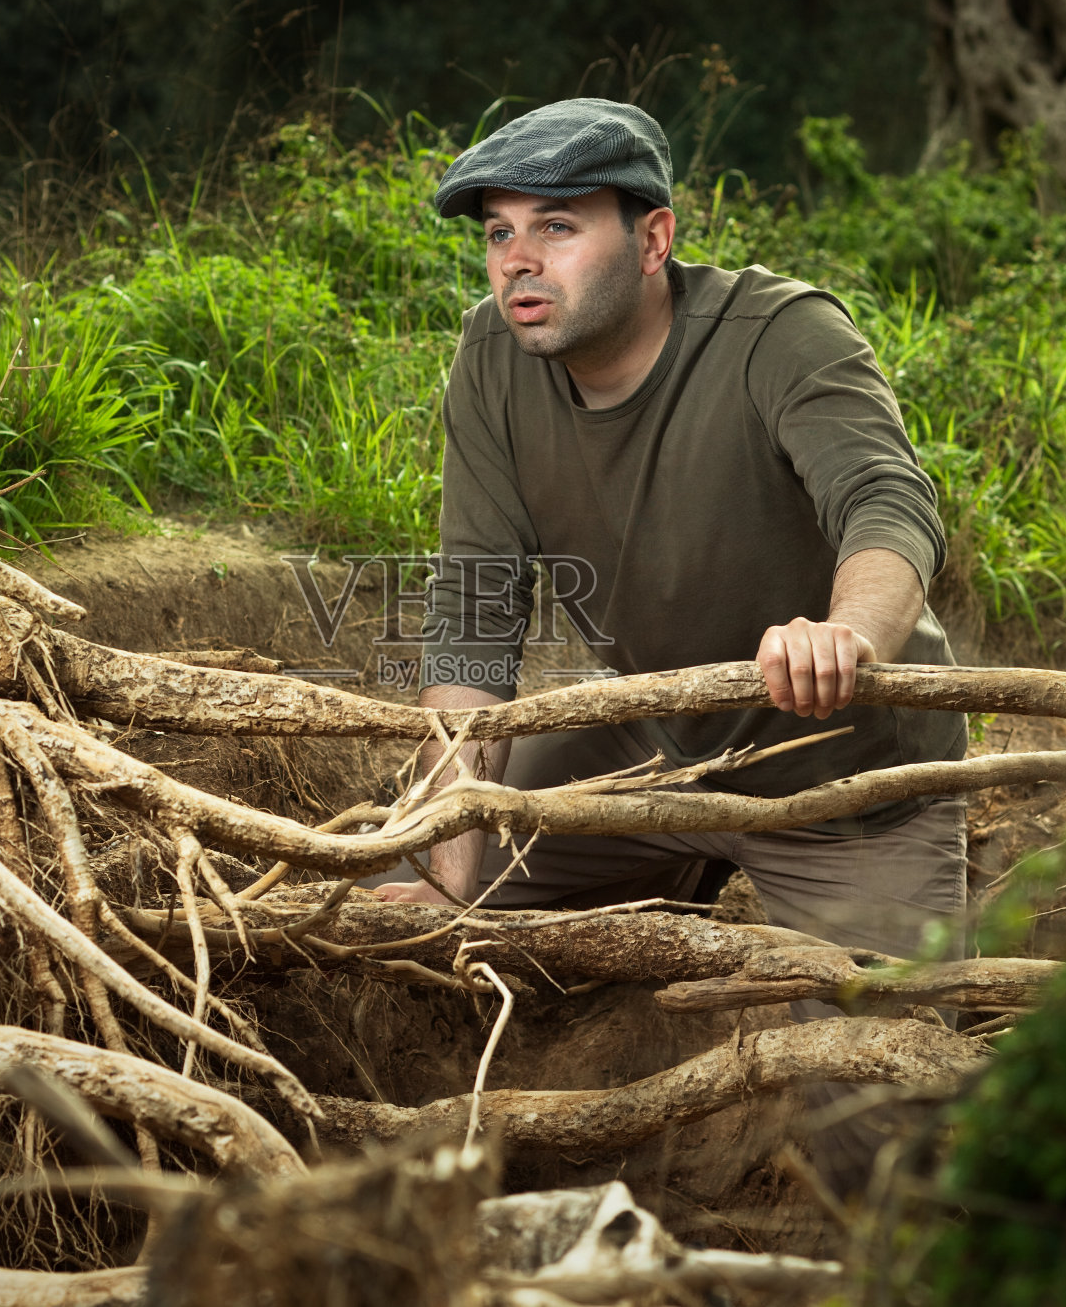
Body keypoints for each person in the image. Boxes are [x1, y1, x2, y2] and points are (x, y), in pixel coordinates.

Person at [370, 99, 969, 1191]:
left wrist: (847, 635)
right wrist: (452, 867)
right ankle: (669, 869)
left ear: (654, 239)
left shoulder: (778, 333)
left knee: (879, 1132)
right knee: (405, 917)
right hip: (656, 744)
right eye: (498, 232)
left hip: (846, 775)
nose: (516, 261)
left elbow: (888, 505)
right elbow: (474, 616)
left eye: (556, 227)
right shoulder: (491, 357)